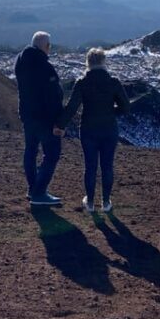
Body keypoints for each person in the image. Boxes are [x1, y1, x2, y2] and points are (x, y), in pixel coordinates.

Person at [55, 48, 130, 213]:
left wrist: (59, 125)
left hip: (88, 130)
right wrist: (111, 113)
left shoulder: (82, 83)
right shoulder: (114, 82)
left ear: (88, 63)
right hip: (109, 129)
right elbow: (126, 107)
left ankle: (89, 202)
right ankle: (106, 202)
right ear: (104, 62)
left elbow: (72, 107)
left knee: (90, 167)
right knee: (107, 166)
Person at [15, 31, 65, 206]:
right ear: (46, 46)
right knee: (52, 153)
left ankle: (32, 188)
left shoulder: (21, 61)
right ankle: (39, 192)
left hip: (28, 116)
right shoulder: (44, 67)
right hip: (45, 119)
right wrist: (59, 122)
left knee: (30, 150)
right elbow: (53, 96)